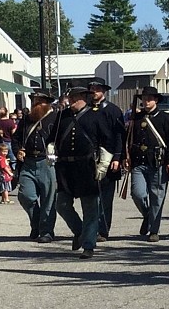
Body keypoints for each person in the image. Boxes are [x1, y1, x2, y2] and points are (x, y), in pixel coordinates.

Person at [49, 86, 114, 259]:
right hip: (65, 168)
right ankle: (79, 231)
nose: (71, 101)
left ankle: (88, 245)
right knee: (61, 205)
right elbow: (52, 138)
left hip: (87, 167)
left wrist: (104, 164)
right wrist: (50, 149)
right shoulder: (63, 116)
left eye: (75, 98)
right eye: (70, 98)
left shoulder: (96, 116)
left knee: (90, 208)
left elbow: (107, 141)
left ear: (84, 98)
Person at [126, 86, 169, 242]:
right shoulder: (136, 117)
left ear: (156, 100)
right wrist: (126, 157)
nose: (146, 100)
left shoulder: (165, 118)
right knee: (138, 194)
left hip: (158, 162)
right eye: (144, 98)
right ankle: (148, 215)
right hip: (139, 162)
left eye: (150, 98)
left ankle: (154, 230)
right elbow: (129, 139)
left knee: (157, 197)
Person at [12, 89, 58, 243]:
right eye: (34, 101)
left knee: (48, 199)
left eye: (40, 101)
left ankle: (46, 231)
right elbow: (16, 138)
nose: (36, 104)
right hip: (29, 161)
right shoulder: (26, 120)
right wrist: (18, 150)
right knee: (26, 196)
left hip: (48, 162)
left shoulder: (56, 118)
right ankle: (36, 224)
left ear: (48, 103)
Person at [87, 76, 125, 242]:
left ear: (103, 91)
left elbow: (119, 136)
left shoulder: (113, 110)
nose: (94, 92)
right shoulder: (85, 109)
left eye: (97, 89)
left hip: (108, 158)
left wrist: (117, 156)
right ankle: (90, 228)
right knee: (89, 197)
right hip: (88, 158)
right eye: (92, 89)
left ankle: (103, 230)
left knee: (105, 198)